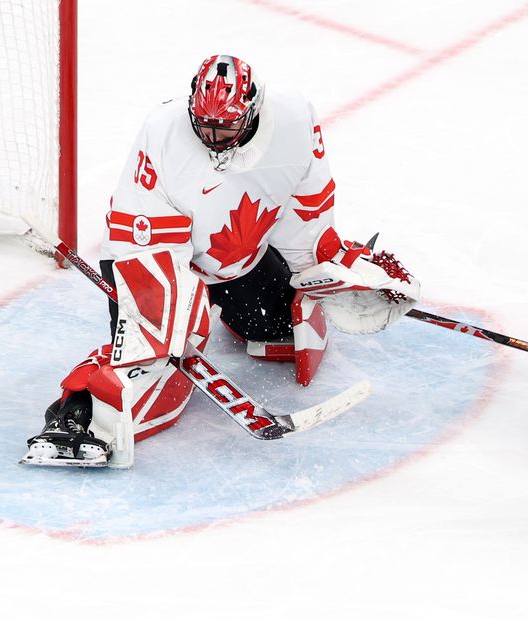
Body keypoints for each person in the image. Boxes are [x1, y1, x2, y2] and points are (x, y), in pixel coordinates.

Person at [21, 55, 419, 468]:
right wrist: (165, 326)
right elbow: (139, 242)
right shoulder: (162, 133)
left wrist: (330, 268)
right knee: (145, 359)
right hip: (150, 256)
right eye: (204, 124)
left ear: (254, 110)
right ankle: (75, 414)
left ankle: (217, 314)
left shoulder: (294, 120)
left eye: (226, 126)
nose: (212, 136)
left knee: (278, 328)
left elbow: (306, 211)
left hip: (237, 259)